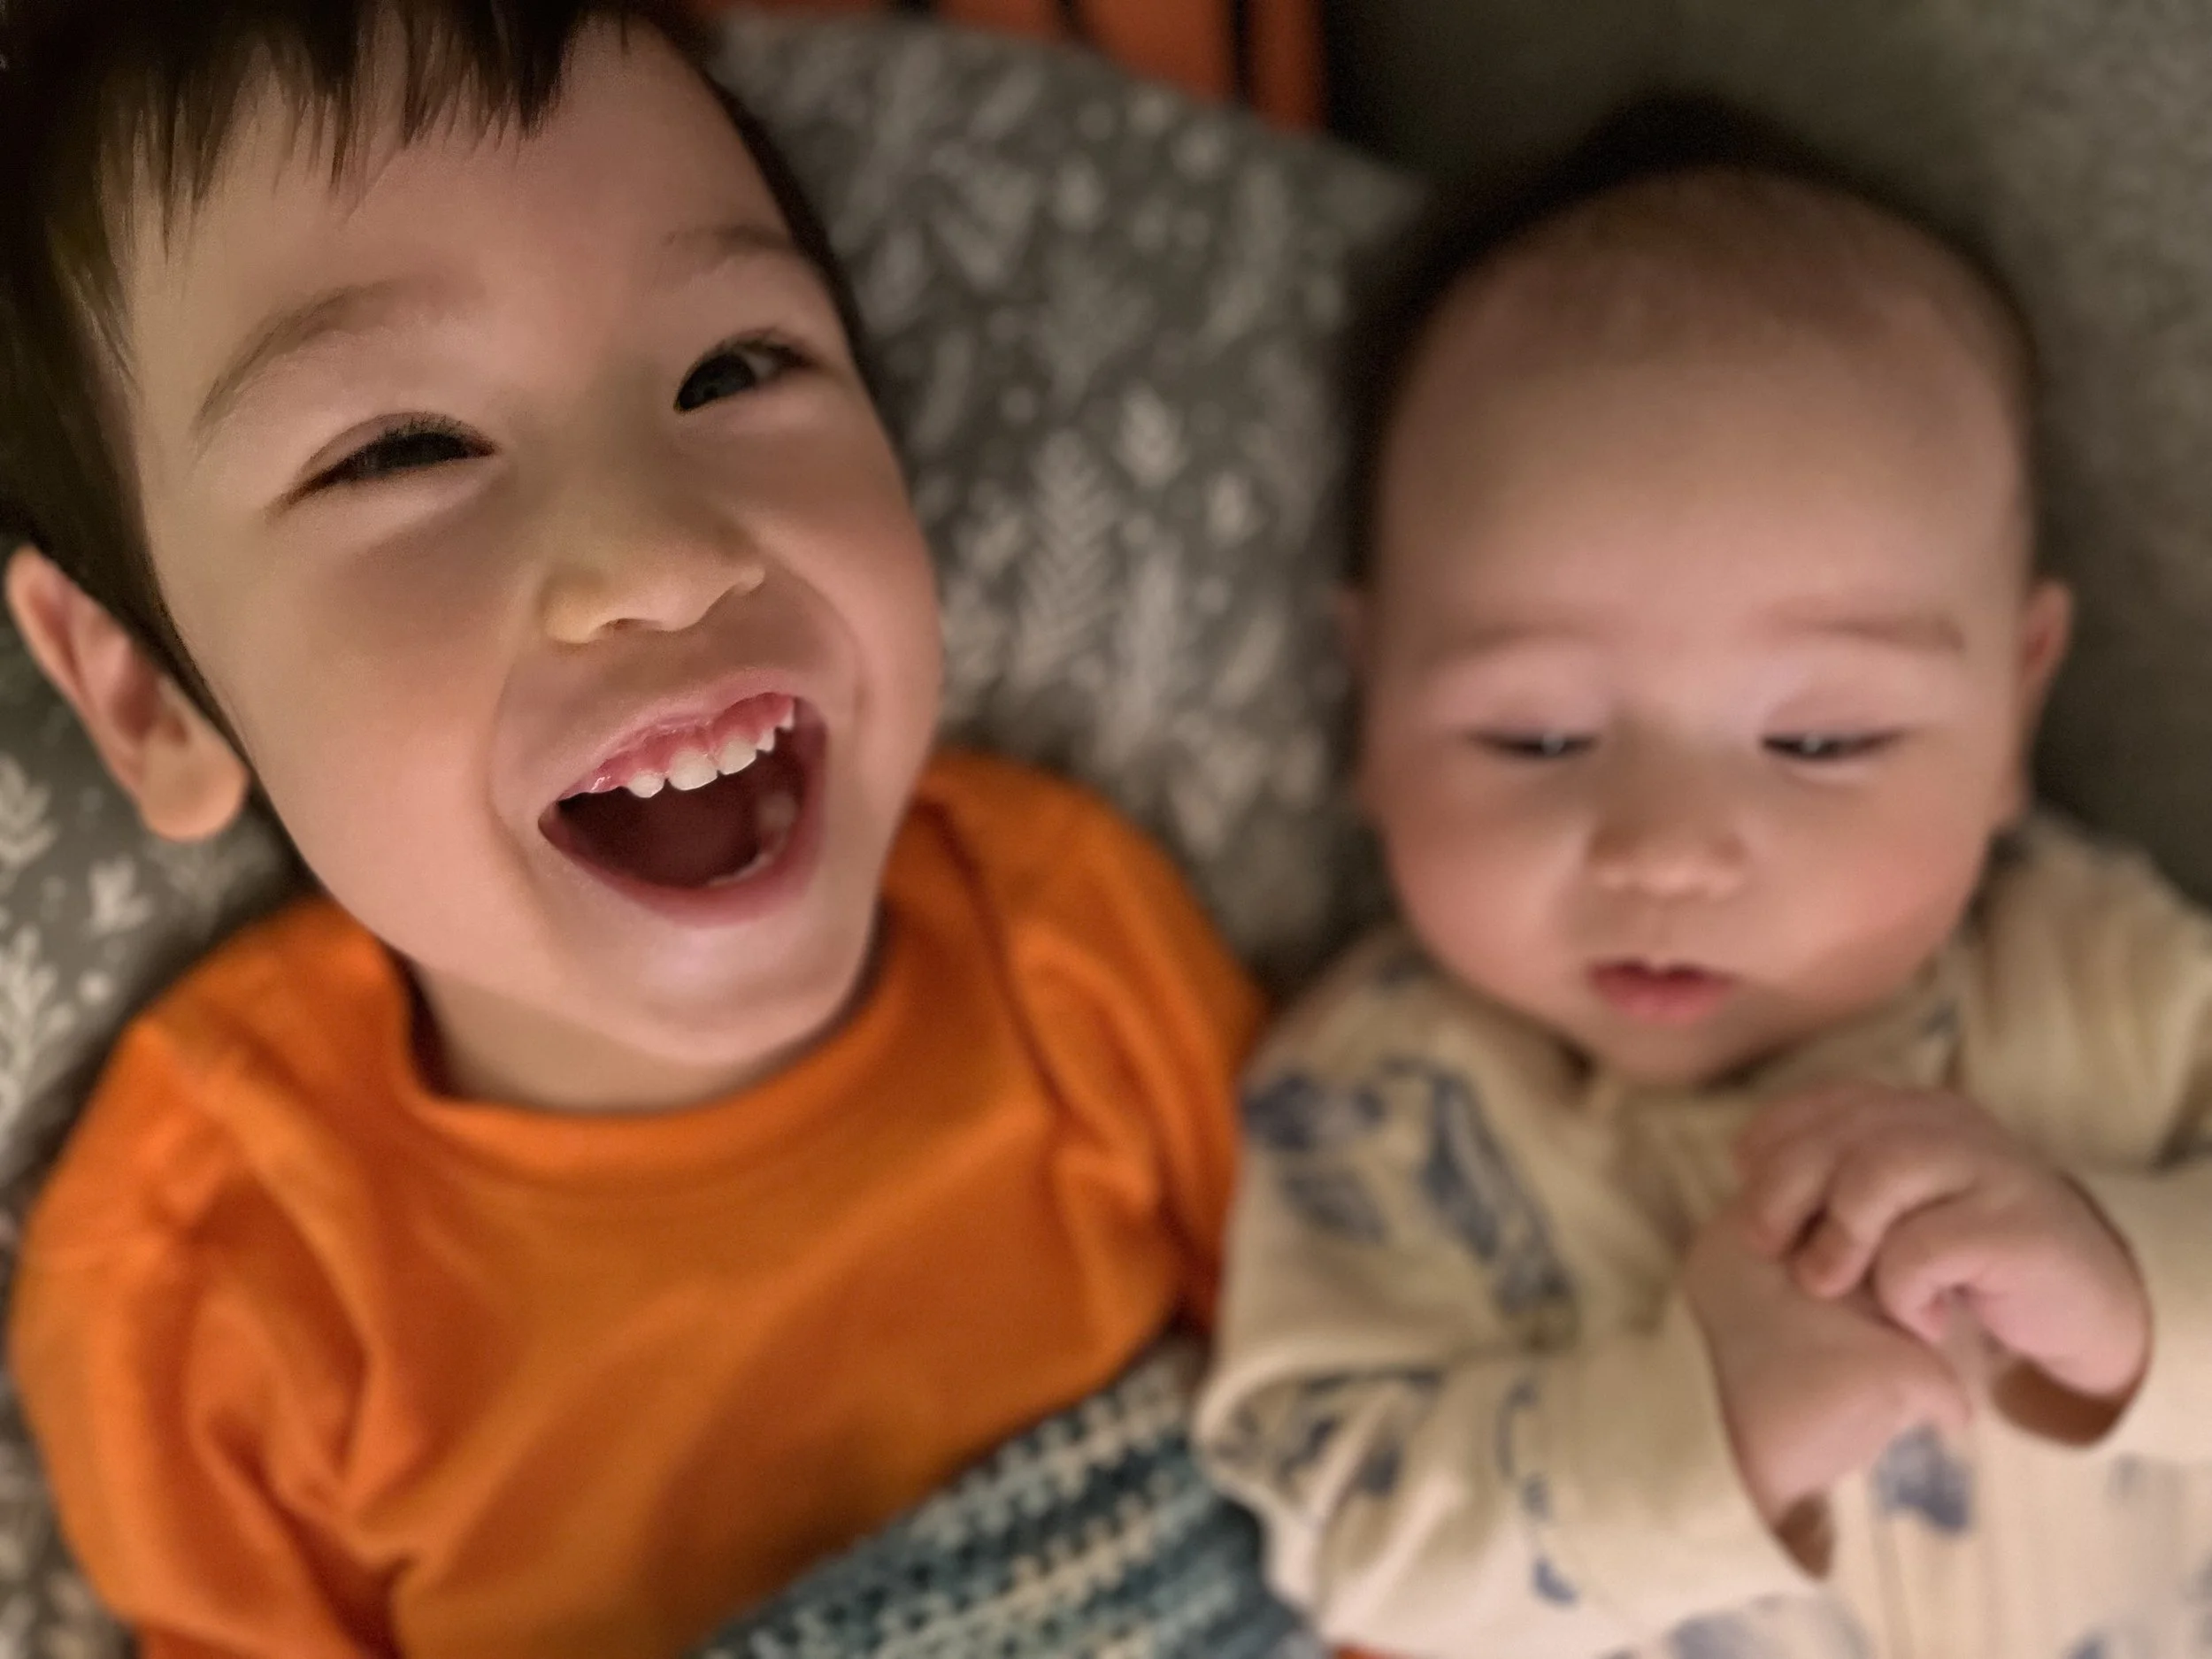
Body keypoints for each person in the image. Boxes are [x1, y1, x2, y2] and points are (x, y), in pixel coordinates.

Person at [0, 3, 1280, 1654]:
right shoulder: (206, 1271)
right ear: (143, 698)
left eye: (733, 368)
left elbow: (1390, 1449)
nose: (662, 556)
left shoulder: (1071, 941)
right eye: (402, 451)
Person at [1194, 95, 2212, 1659]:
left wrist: (2125, 1282)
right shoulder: (1376, 1097)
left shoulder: (2102, 978)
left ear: (2017, 706)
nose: (1664, 852)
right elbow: (1341, 1537)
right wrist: (1700, 1439)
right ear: (1370, 698)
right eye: (1534, 734)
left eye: (1821, 738)